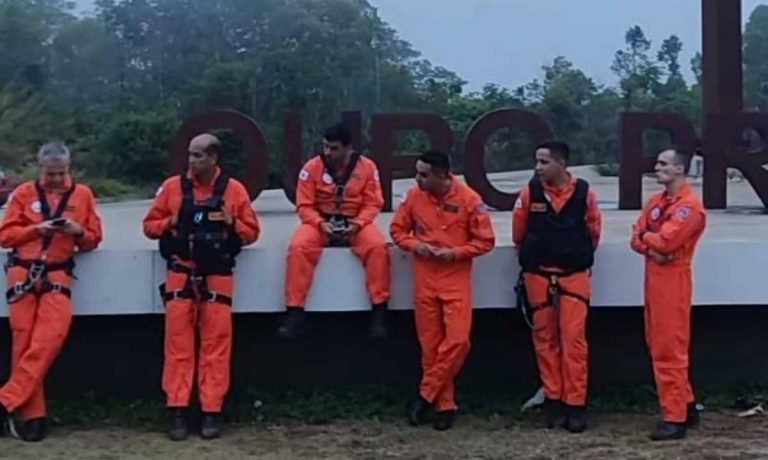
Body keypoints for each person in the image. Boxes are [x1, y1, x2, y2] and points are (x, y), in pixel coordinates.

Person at [143, 133, 260, 441]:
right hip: (181, 274)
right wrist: (170, 222)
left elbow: (252, 233)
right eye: (190, 155)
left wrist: (231, 222)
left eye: (198, 156)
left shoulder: (234, 190)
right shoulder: (172, 188)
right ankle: (177, 410)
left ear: (213, 158)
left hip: (218, 276)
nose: (191, 161)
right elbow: (149, 227)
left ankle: (212, 411)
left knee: (216, 347)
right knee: (177, 347)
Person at [0, 142, 103, 442]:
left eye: (61, 173)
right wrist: (36, 230)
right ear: (40, 169)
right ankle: (33, 416)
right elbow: (5, 236)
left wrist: (78, 231)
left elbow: (94, 238)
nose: (57, 179)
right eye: (51, 174)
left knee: (48, 340)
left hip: (58, 274)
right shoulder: (23, 194)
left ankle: (6, 400)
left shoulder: (82, 195)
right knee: (23, 343)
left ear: (69, 168)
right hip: (23, 273)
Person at [390, 151, 495, 431]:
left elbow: (486, 241)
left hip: (455, 279)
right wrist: (416, 246)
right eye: (417, 173)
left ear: (442, 175)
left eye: (423, 175)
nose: (417, 179)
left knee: (458, 341)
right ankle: (444, 406)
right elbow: (397, 231)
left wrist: (456, 253)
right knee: (431, 347)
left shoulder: (469, 199)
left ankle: (424, 395)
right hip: (424, 279)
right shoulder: (414, 197)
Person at [512, 140, 602, 433]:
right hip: (538, 276)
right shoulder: (529, 193)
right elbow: (518, 233)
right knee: (545, 341)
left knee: (573, 341)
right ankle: (553, 400)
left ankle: (575, 405)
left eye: (544, 162)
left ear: (561, 164)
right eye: (536, 161)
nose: (537, 167)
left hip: (573, 276)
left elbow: (594, 230)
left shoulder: (585, 194)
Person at [276, 123, 390, 339]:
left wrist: (358, 223)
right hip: (320, 221)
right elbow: (304, 205)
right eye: (326, 147)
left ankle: (379, 311)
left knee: (378, 248)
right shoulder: (312, 167)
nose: (328, 152)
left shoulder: (367, 167)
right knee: (298, 248)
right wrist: (319, 223)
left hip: (355, 221)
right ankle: (294, 311)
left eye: (334, 148)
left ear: (348, 148)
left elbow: (373, 203)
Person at [631, 148, 706, 441]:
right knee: (657, 343)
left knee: (669, 349)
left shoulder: (690, 207)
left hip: (673, 282)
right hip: (654, 279)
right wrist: (651, 245)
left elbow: (666, 241)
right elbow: (637, 238)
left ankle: (674, 418)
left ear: (679, 169)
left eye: (664, 163)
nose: (657, 167)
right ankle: (686, 405)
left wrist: (649, 240)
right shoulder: (656, 202)